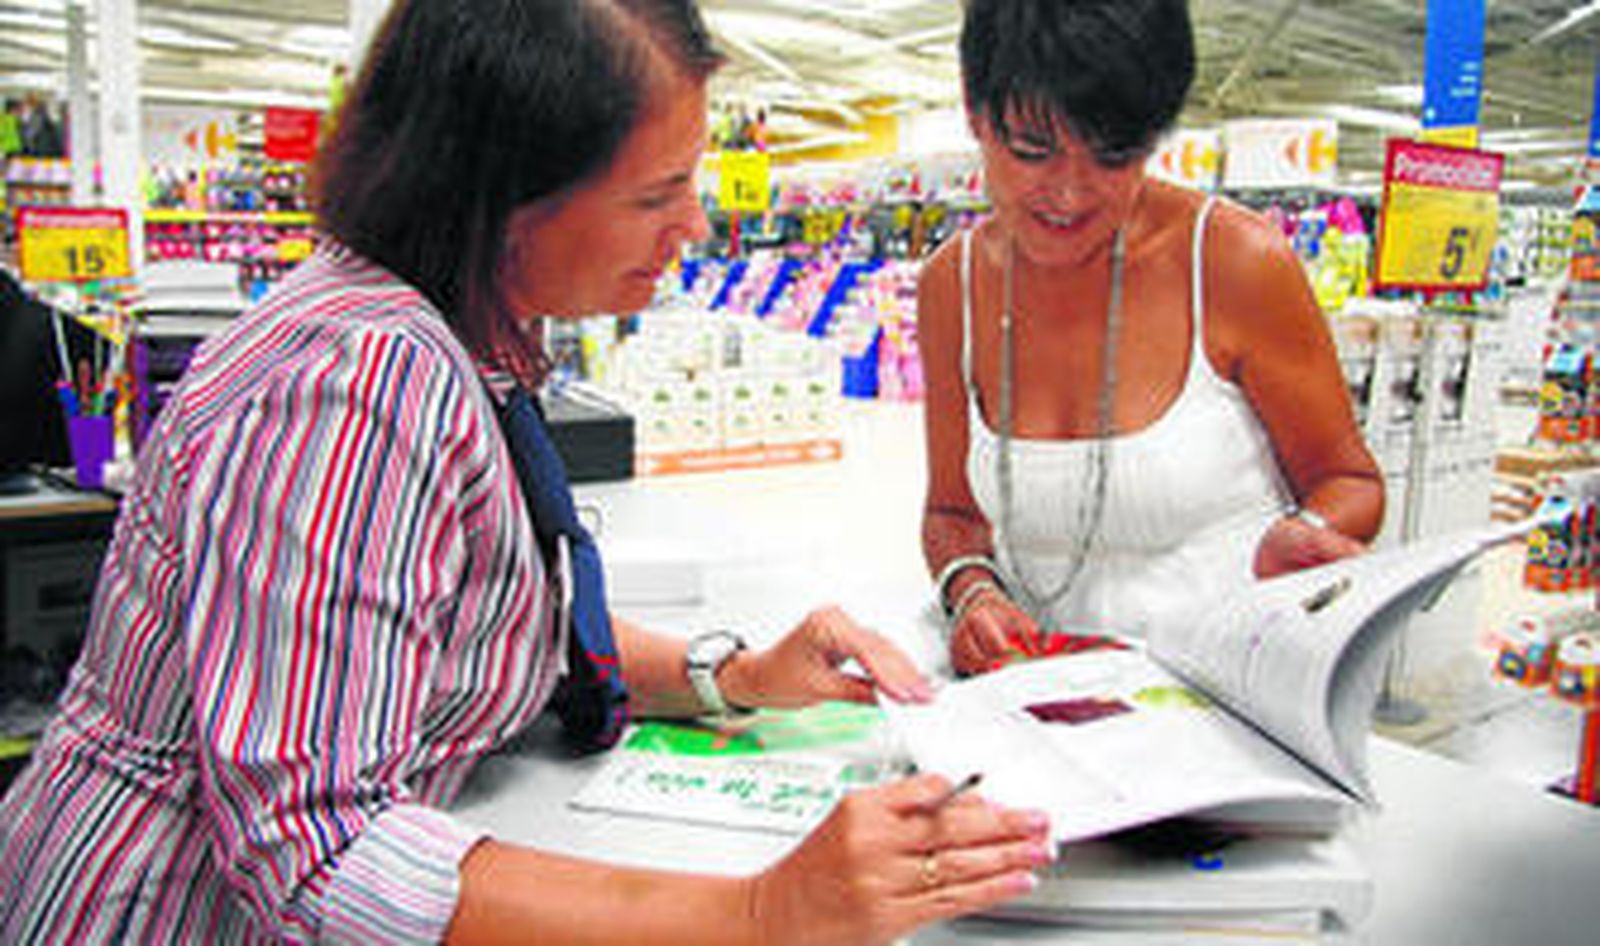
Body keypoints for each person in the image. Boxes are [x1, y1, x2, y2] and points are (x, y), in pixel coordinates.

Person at [0, 2, 1050, 943]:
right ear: (505, 195)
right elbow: (318, 845)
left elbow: (475, 624)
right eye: (657, 193)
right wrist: (760, 913)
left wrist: (730, 675)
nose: (695, 227)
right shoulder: (356, 384)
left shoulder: (455, 336)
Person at [920, 0, 1384, 676]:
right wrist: (973, 592)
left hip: (1223, 689)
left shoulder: (1235, 262)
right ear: (974, 110)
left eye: (1114, 155)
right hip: (1033, 697)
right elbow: (950, 513)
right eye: (1033, 151)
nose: (1070, 194)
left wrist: (1309, 533)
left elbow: (1348, 479)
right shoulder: (952, 286)